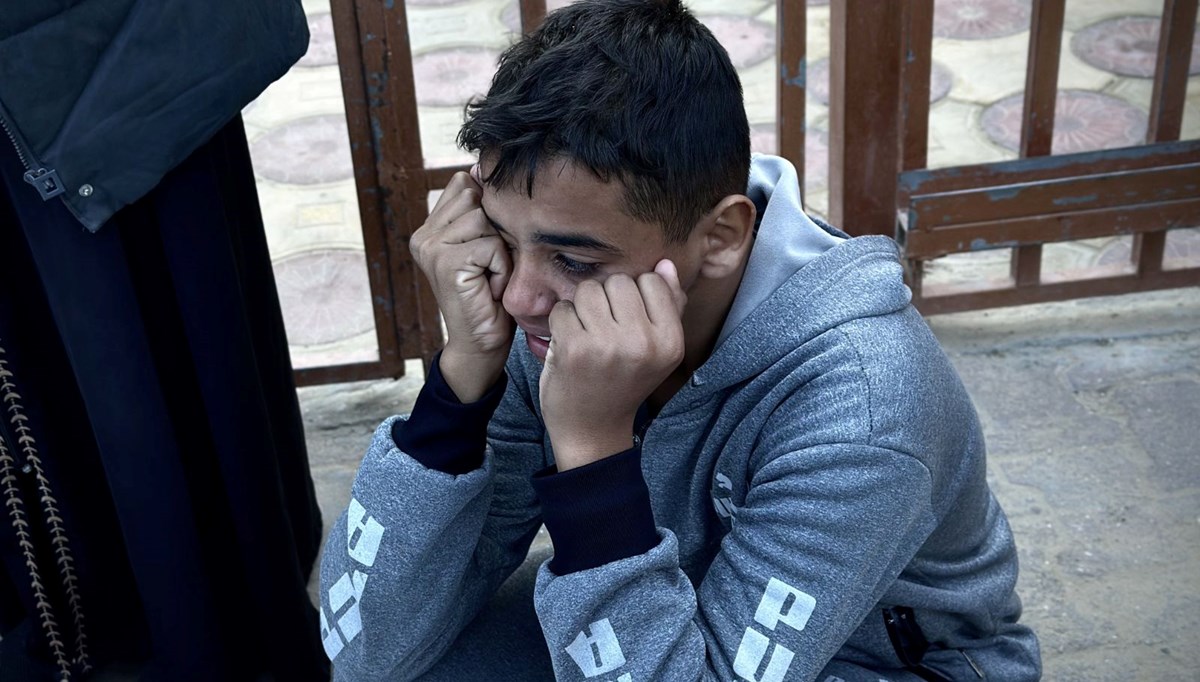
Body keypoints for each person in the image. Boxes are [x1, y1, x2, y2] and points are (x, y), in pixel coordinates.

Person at [318, 0, 1041, 680]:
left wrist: (592, 450)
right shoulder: (547, 318)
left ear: (721, 237)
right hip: (669, 605)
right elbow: (368, 649)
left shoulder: (864, 409)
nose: (519, 297)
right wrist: (462, 382)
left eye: (574, 259)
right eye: (505, 239)